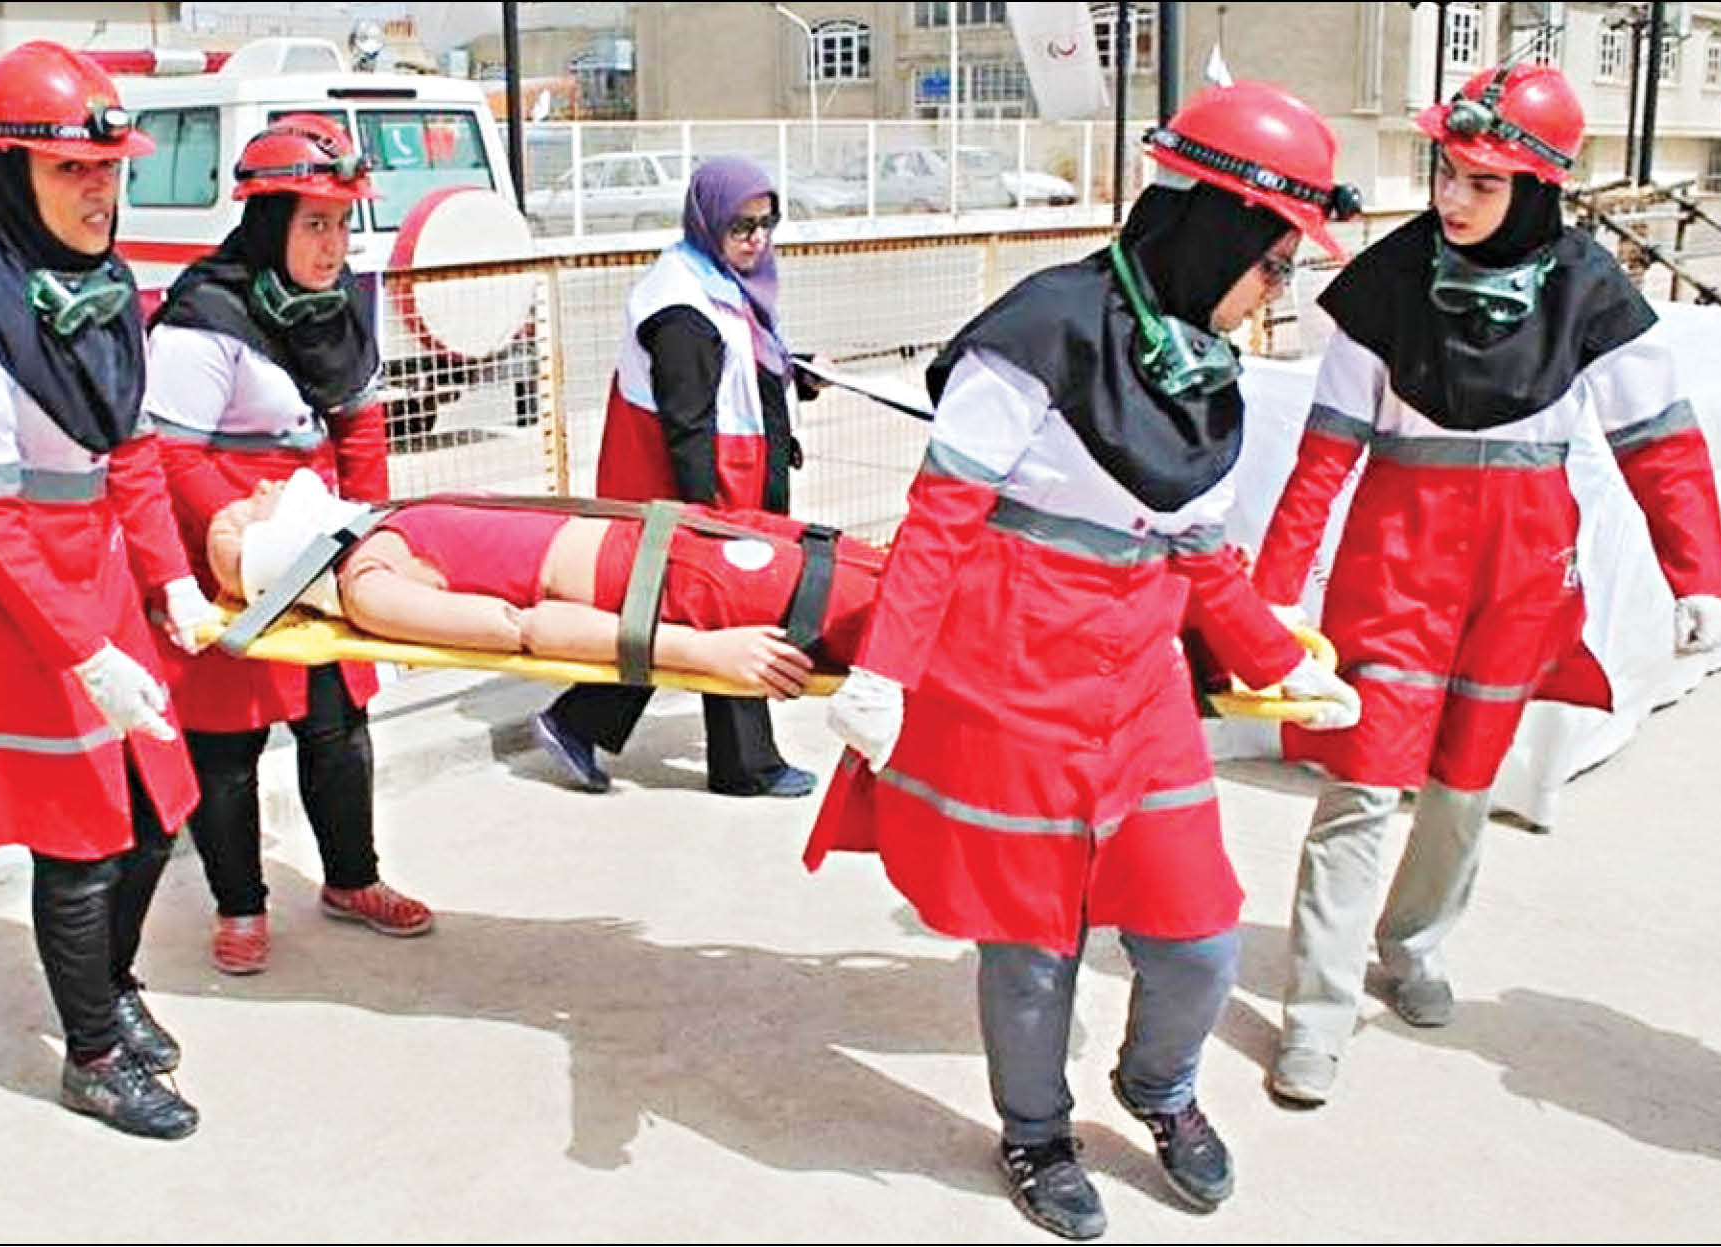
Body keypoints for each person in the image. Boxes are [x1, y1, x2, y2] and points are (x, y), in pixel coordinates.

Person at [803, 84, 1365, 1240]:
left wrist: (1279, 663)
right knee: (1032, 946)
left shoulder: (1203, 368)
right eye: (1273, 263)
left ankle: (1158, 1086)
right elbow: (941, 519)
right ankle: (1036, 1131)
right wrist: (885, 671)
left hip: (1137, 679)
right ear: (1214, 227)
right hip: (1007, 671)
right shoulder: (1042, 329)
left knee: (1198, 934)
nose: (1276, 290)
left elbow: (1201, 556)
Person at [1254, 63, 1721, 1108]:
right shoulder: (1384, 284)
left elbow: (1661, 445)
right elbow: (1322, 457)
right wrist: (1274, 594)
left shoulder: (1590, 290)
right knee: (1361, 784)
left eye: (1482, 181)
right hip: (1394, 570)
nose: (1452, 198)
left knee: (1464, 784)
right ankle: (1316, 1014)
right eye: (1446, 172)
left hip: (1520, 580)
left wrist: (1698, 573)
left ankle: (1411, 943)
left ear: (1539, 187)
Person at [0, 41, 223, 1141]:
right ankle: (94, 1055)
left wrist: (171, 582)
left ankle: (109, 983)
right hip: (5, 598)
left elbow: (133, 455)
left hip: (93, 576)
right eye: (72, 169)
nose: (98, 191)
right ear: (6, 173)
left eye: (108, 169)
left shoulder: (100, 282)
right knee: (80, 837)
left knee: (156, 805)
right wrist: (85, 650)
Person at [143, 116, 432, 979]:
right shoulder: (202, 320)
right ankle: (239, 905)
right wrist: (253, 544)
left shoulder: (337, 307)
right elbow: (173, 458)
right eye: (313, 225)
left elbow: (361, 425)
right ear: (269, 223)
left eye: (341, 224)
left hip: (320, 540)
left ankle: (353, 880)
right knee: (226, 746)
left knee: (337, 725)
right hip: (230, 554)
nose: (332, 245)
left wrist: (366, 532)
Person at [531, 157, 828, 798]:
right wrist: (709, 523)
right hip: (693, 488)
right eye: (740, 225)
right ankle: (742, 765)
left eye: (767, 222)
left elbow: (739, 374)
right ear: (707, 222)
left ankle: (582, 723)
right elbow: (687, 422)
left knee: (691, 616)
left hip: (724, 480)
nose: (757, 238)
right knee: (725, 607)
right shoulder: (682, 308)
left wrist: (795, 374)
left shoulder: (719, 285)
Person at [207, 468, 885, 692]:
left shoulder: (390, 519)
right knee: (893, 630)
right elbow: (530, 631)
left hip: (687, 537)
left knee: (896, 582)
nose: (263, 485)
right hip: (673, 580)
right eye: (251, 506)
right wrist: (701, 651)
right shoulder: (371, 584)